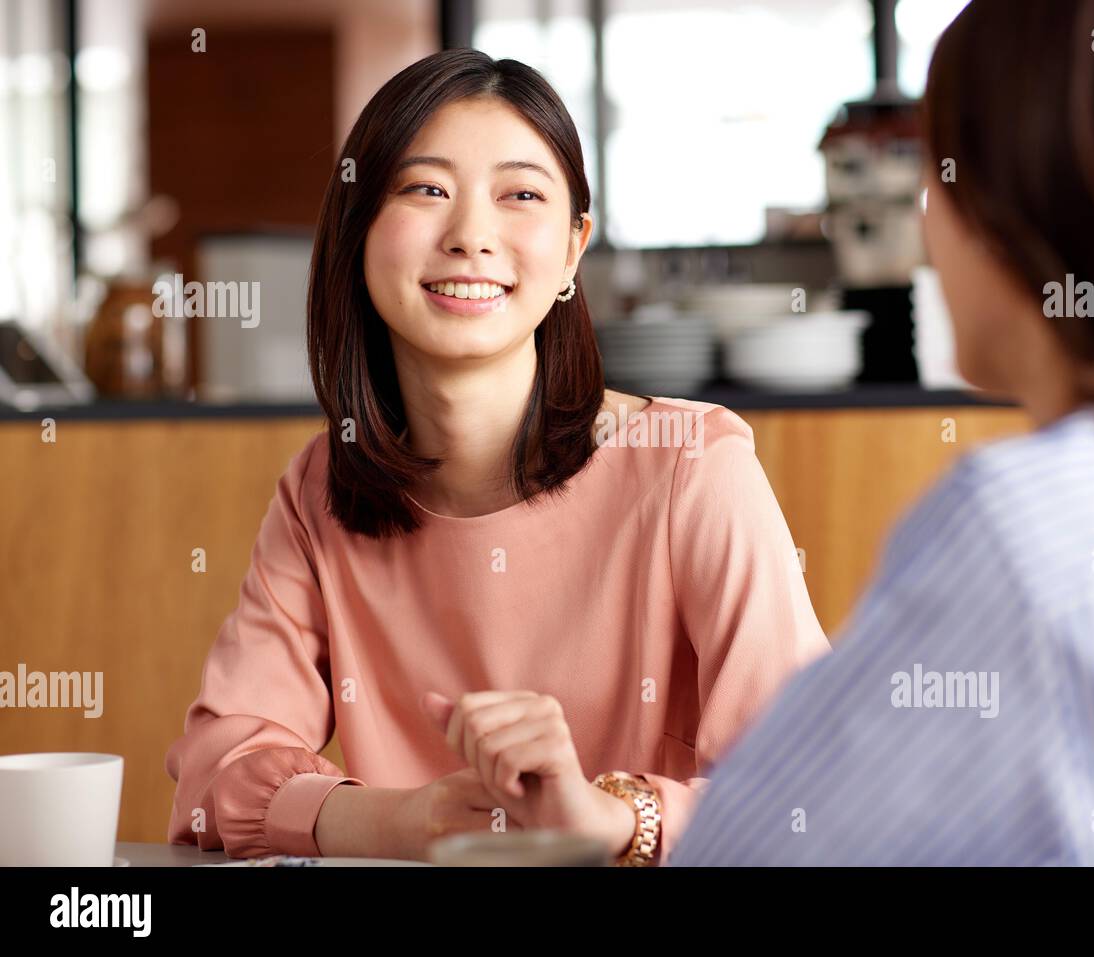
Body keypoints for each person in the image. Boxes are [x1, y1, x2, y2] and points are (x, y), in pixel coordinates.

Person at [671, 0, 1094, 866]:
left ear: (1026, 210)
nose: (923, 227)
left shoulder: (1035, 531)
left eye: (938, 174)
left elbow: (750, 856)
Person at [163, 49, 828, 865]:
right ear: (358, 228)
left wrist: (610, 817)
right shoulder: (321, 488)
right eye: (426, 189)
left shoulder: (693, 467)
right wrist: (401, 822)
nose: (472, 235)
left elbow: (820, 794)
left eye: (520, 195)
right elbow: (210, 779)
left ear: (575, 248)